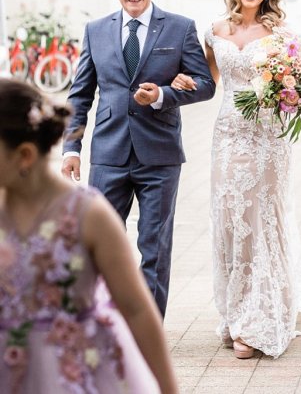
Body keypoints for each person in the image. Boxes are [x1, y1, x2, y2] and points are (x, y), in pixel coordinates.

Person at [171, 0, 301, 360]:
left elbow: (296, 86)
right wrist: (179, 83)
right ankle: (234, 314)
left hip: (267, 140)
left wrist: (297, 93)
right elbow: (207, 81)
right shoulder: (214, 31)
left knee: (262, 221)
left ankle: (260, 319)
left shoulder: (281, 32)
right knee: (230, 221)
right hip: (227, 136)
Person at [0, 77, 178, 393]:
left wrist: (168, 388)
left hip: (76, 372)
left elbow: (136, 308)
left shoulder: (88, 214)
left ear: (24, 155)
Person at [61, 0, 215, 318]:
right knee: (99, 245)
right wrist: (70, 148)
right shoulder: (95, 31)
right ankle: (102, 323)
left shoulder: (179, 28)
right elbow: (79, 96)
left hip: (159, 156)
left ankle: (147, 332)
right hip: (108, 155)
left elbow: (206, 84)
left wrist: (163, 95)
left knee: (154, 248)